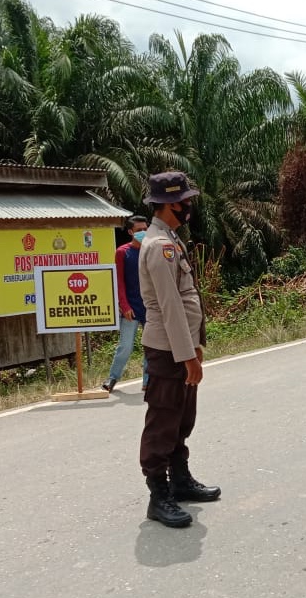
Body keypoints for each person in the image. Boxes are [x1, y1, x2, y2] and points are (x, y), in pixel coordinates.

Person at [137, 171, 220, 528]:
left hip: (182, 348)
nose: (189, 207)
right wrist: (186, 357)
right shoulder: (159, 246)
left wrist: (196, 347)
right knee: (163, 422)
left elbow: (187, 301)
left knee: (182, 420)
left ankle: (181, 481)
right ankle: (159, 496)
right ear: (171, 205)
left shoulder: (169, 238)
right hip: (167, 351)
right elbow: (171, 306)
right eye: (185, 201)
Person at [101, 216, 150, 392]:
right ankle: (112, 378)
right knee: (125, 346)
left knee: (150, 346)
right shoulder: (122, 252)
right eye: (139, 230)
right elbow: (119, 282)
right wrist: (125, 306)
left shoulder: (151, 250)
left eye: (145, 228)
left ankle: (148, 380)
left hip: (151, 307)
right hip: (131, 308)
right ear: (130, 232)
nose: (143, 232)